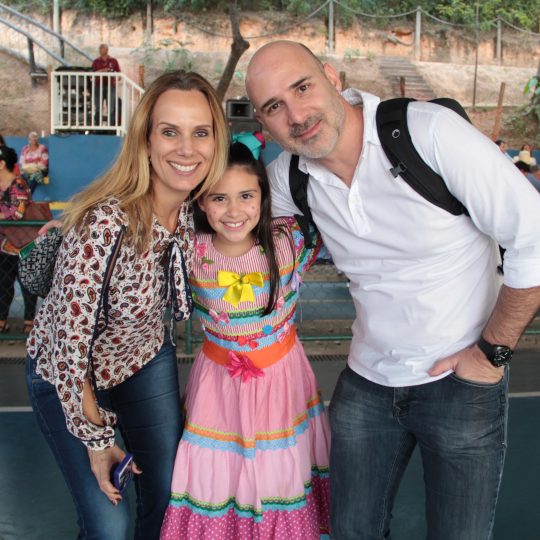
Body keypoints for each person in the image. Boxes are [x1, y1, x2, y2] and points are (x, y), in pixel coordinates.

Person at [245, 41, 540, 539]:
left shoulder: (428, 133)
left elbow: (533, 237)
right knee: (351, 531)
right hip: (366, 384)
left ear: (332, 77)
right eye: (275, 106)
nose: (296, 115)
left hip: (462, 381)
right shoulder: (289, 177)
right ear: (262, 121)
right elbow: (222, 216)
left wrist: (492, 354)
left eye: (303, 87)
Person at [25, 70, 229, 540]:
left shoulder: (197, 213)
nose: (187, 149)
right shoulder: (104, 224)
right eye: (170, 132)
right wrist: (97, 440)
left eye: (201, 132)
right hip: (67, 370)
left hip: (141, 357)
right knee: (109, 525)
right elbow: (68, 347)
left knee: (169, 493)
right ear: (146, 139)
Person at [160, 136, 330, 539]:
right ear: (201, 202)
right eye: (219, 198)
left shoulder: (288, 241)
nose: (234, 211)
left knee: (279, 475)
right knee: (216, 474)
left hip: (282, 383)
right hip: (218, 388)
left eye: (246, 196)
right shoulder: (188, 249)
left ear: (263, 197)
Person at [0, 145, 38, 334]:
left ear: (1, 164)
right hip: (4, 245)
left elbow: (17, 213)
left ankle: (29, 321)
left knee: (27, 285)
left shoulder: (19, 184)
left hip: (24, 244)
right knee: (3, 284)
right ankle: (2, 320)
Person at [92, 44, 121, 127]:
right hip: (98, 86)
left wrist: (112, 74)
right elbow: (92, 74)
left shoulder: (113, 61)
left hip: (110, 86)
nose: (100, 50)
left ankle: (111, 126)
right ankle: (97, 126)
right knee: (98, 106)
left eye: (102, 48)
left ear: (107, 50)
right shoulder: (96, 61)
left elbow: (119, 75)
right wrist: (102, 71)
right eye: (100, 49)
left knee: (111, 107)